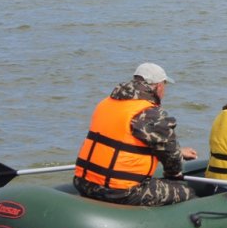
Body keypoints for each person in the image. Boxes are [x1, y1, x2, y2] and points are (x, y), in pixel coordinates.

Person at [74, 63, 198, 206]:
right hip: (120, 192)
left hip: (84, 183)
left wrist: (179, 152)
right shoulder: (151, 114)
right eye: (164, 85)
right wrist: (174, 176)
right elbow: (172, 161)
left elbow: (123, 142)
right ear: (158, 86)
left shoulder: (106, 103)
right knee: (186, 191)